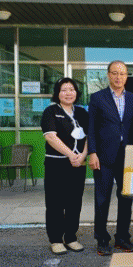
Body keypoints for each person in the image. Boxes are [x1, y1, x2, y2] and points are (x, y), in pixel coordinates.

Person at [88, 60, 133, 256]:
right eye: (115, 73)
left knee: (126, 199)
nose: (118, 77)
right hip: (103, 157)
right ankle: (102, 239)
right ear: (108, 75)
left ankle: (122, 237)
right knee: (102, 200)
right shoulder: (97, 98)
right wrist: (92, 152)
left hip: (127, 157)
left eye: (122, 73)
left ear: (126, 76)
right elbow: (91, 128)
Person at [41, 78, 89, 255]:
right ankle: (55, 239)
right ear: (57, 93)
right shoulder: (51, 111)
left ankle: (70, 237)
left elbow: (90, 136)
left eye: (72, 89)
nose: (68, 93)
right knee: (55, 203)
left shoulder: (82, 112)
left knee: (74, 202)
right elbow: (51, 137)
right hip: (56, 164)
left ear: (76, 93)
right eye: (64, 90)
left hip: (78, 165)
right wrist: (71, 155)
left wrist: (82, 156)